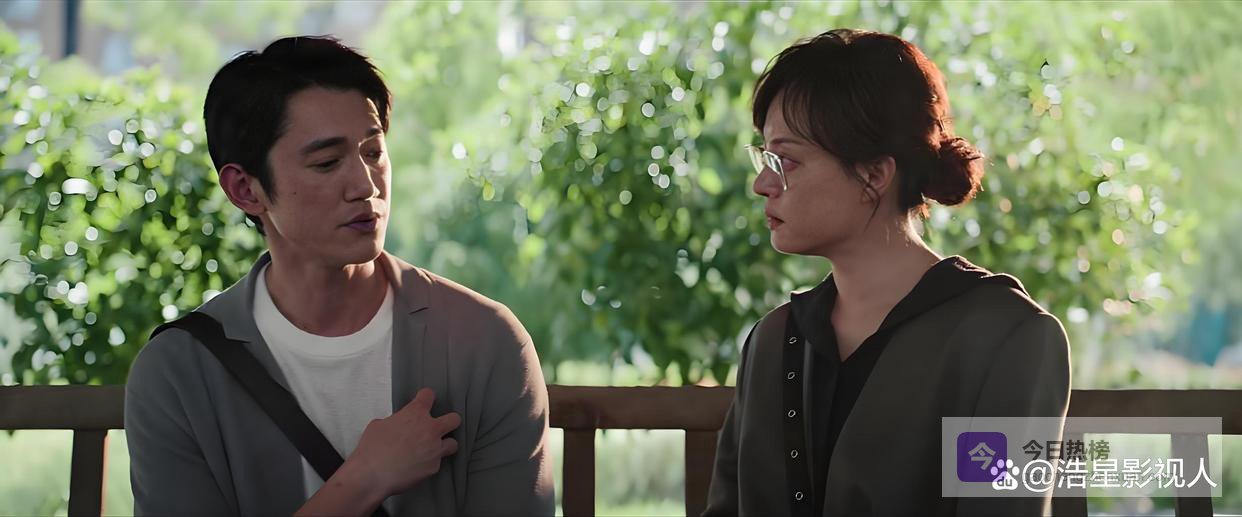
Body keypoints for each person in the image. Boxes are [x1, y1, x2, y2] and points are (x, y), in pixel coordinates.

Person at [125, 36, 554, 516]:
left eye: (373, 152)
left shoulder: (485, 342)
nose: (366, 186)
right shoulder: (178, 373)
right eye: (327, 163)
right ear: (245, 189)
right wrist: (364, 480)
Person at [704, 29, 1071, 516]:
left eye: (785, 160)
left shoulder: (1007, 337)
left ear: (874, 174)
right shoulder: (774, 340)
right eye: (764, 157)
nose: (761, 184)